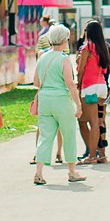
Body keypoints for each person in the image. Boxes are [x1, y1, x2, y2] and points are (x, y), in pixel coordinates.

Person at [31, 24, 85, 186]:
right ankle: (72, 171)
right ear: (64, 40)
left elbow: (36, 82)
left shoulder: (42, 57)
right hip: (62, 101)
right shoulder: (64, 59)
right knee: (68, 135)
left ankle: (39, 173)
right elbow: (70, 84)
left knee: (45, 137)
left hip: (45, 101)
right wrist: (78, 105)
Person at [77, 20, 110, 163]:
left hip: (89, 87)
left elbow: (81, 69)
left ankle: (92, 155)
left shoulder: (87, 48)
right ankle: (101, 154)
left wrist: (78, 84)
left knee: (92, 122)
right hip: (101, 86)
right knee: (99, 120)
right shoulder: (104, 48)